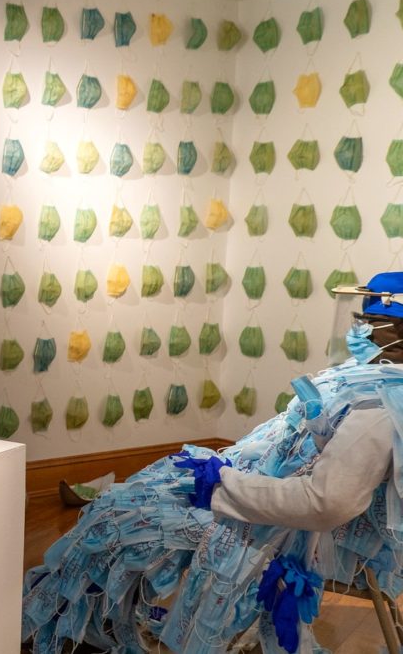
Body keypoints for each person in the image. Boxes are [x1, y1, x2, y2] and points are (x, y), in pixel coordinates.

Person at [22, 275, 403, 654]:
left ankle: (75, 616)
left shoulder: (378, 409)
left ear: (397, 329)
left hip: (275, 517)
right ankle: (89, 613)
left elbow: (325, 503)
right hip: (252, 483)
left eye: (369, 321)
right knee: (124, 500)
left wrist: (223, 483)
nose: (360, 329)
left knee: (118, 516)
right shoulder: (370, 382)